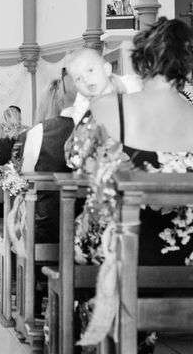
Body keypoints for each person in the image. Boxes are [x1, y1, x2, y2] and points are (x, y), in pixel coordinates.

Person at [67, 18, 193, 266]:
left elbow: (75, 160)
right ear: (186, 67)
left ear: (141, 61)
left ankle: (91, 304)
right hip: (185, 251)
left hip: (120, 246)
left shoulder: (107, 107)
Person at [19, 70, 77, 242]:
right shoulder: (98, 128)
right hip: (95, 228)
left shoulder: (40, 131)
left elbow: (25, 178)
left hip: (49, 226)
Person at [65, 47, 142, 123]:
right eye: (78, 78)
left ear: (106, 70)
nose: (85, 79)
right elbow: (80, 127)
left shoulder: (129, 83)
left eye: (90, 70)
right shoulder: (82, 101)